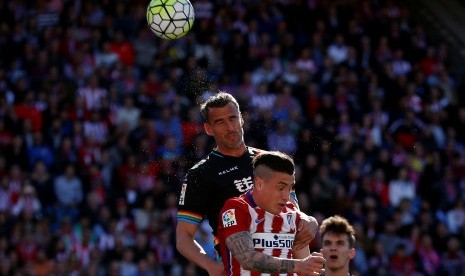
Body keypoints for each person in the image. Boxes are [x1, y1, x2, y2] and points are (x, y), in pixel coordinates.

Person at [176, 92, 318, 275]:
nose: (229, 127)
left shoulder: (270, 162)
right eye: (220, 122)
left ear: (241, 119)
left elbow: (292, 211)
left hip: (285, 265)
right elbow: (183, 237)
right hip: (240, 266)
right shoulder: (201, 174)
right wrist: (210, 265)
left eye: (233, 118)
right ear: (208, 129)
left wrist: (308, 220)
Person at [217, 151, 325, 275]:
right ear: (259, 184)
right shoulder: (235, 209)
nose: (286, 196)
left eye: (289, 188)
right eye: (281, 188)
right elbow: (247, 259)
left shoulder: (293, 214)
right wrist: (298, 265)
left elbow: (306, 267)